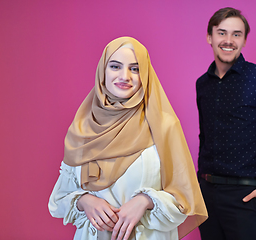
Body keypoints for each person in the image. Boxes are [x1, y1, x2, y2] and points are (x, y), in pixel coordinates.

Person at [49, 37, 207, 240]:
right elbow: (59, 199)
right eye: (115, 66)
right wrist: (84, 201)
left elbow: (184, 200)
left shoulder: (163, 125)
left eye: (135, 68)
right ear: (102, 72)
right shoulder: (84, 127)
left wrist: (146, 200)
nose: (125, 76)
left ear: (145, 75)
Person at [196, 7, 256, 240]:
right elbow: (205, 137)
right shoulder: (202, 84)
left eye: (236, 34)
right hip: (207, 197)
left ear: (244, 40)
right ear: (209, 37)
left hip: (247, 198)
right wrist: (199, 187)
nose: (228, 40)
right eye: (222, 33)